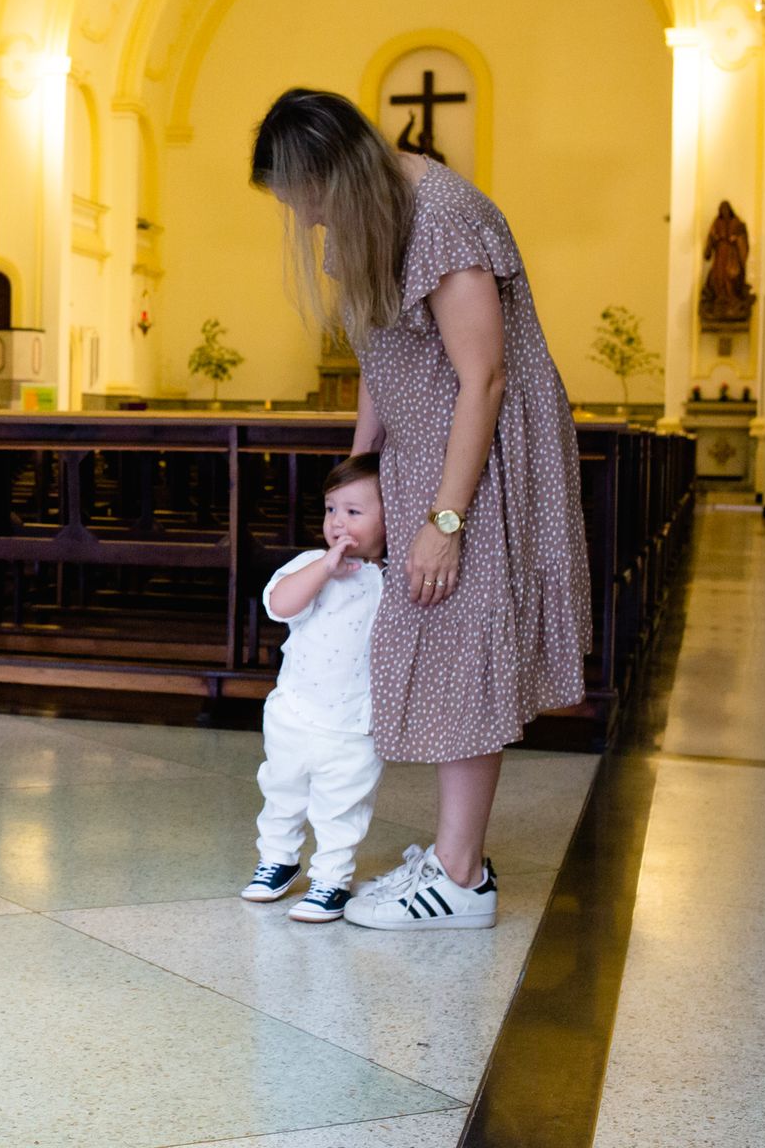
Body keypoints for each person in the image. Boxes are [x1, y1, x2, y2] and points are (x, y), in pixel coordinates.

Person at [249, 88, 589, 931]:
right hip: (417, 455)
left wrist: (445, 521)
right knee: (439, 640)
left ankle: (461, 880)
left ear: (334, 171)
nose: (308, 220)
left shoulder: (440, 215)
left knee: (461, 642)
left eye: (306, 199)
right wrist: (360, 479)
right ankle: (452, 856)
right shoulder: (368, 214)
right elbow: (382, 352)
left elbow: (486, 379)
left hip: (479, 458)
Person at [241, 454, 387, 923]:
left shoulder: (392, 576)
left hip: (355, 723)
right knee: (282, 791)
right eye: (330, 509)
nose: (337, 522)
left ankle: (332, 879)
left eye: (353, 511)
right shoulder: (311, 565)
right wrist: (324, 568)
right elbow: (279, 605)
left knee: (342, 806)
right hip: (295, 712)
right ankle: (277, 860)